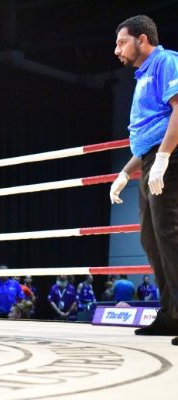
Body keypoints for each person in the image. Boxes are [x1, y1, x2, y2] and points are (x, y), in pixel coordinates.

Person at [110, 15, 178, 344]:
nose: (117, 49)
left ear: (142, 39)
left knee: (170, 235)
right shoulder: (143, 75)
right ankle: (171, 315)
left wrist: (164, 157)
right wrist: (126, 172)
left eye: (122, 42)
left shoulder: (166, 61)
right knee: (151, 238)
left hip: (170, 156)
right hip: (151, 158)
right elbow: (149, 134)